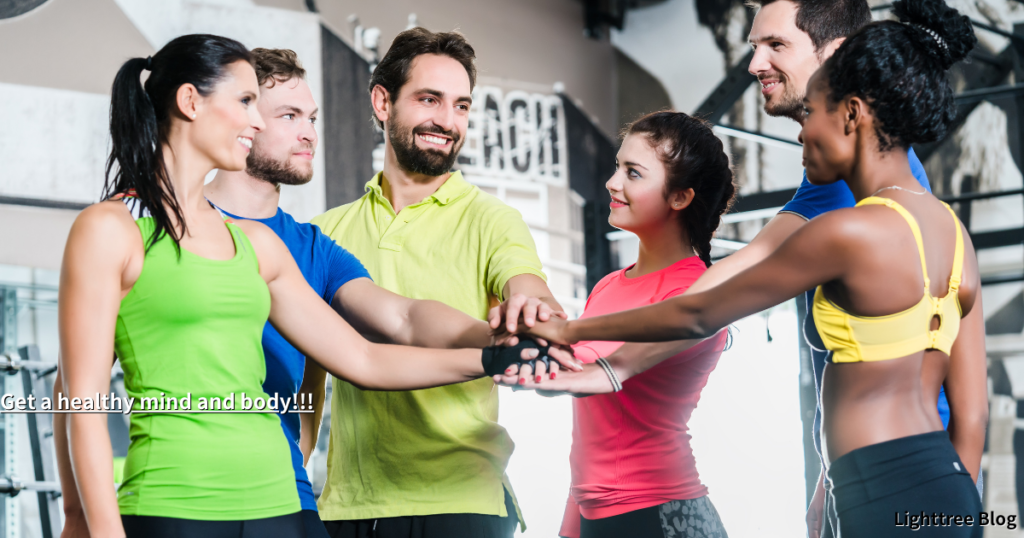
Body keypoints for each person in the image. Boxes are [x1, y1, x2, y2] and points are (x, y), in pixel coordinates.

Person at [499, 0, 989, 535]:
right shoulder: (952, 233)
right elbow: (973, 414)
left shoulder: (847, 231)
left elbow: (697, 312)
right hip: (944, 484)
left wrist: (571, 330)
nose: (803, 133)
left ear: (851, 114)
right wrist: (952, 508)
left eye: (815, 112)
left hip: (877, 485)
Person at [57, 34, 569, 538]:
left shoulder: (271, 246)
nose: (265, 124)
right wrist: (83, 519)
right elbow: (79, 395)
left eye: (310, 118)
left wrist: (498, 352)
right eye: (254, 105)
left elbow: (377, 343)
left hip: (282, 498)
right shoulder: (118, 228)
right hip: (177, 498)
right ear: (191, 102)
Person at [309, 27, 564, 538]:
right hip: (349, 507)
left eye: (461, 106)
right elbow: (309, 377)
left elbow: (527, 286)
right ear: (383, 102)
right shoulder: (327, 231)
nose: (447, 122)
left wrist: (536, 313)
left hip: (462, 500)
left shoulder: (494, 220)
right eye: (430, 100)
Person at [552, 111, 733, 538]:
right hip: (598, 516)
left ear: (680, 197)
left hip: (662, 516)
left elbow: (600, 376)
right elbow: (594, 431)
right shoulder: (608, 286)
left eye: (633, 173)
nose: (613, 183)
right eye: (618, 167)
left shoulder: (695, 294)